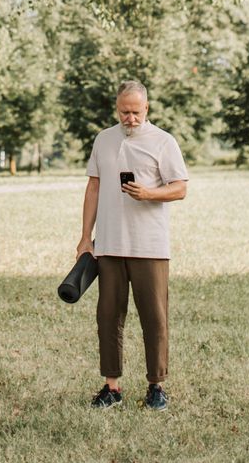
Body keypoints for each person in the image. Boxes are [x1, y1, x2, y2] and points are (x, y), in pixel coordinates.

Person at [77, 79, 188, 410]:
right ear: (117, 108)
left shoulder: (163, 142)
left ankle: (156, 386)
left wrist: (149, 193)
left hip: (149, 246)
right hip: (109, 245)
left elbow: (180, 188)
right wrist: (85, 238)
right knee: (109, 316)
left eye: (136, 112)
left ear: (147, 109)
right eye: (125, 112)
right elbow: (94, 187)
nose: (130, 118)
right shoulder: (104, 139)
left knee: (154, 317)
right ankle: (112, 386)